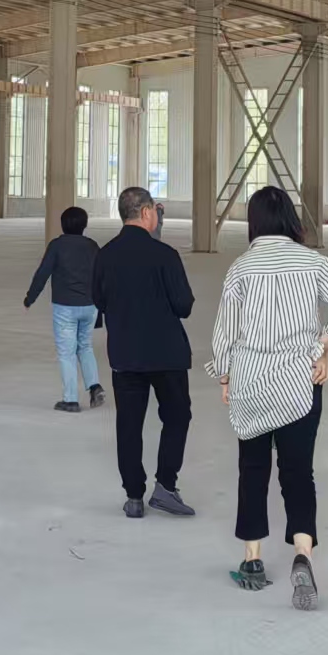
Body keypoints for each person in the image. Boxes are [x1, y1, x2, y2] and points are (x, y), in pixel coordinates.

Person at [206, 186, 328, 612]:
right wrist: (322, 346)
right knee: (298, 471)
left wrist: (225, 376)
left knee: (252, 468)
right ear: (290, 219)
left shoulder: (241, 268)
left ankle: (252, 560)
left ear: (254, 222)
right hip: (299, 381)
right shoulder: (313, 262)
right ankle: (303, 553)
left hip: (252, 381)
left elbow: (225, 331)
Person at [91, 186, 196, 519]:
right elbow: (184, 305)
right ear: (147, 212)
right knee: (177, 417)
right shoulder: (165, 255)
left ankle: (134, 496)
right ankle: (165, 486)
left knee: (129, 425)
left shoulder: (105, 255)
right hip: (167, 354)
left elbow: (99, 300)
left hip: (125, 354)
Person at [22, 206, 104, 413]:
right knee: (85, 346)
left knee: (67, 353)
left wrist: (30, 298)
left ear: (63, 225)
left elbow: (42, 273)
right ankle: (95, 386)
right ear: (84, 225)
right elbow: (102, 276)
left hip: (65, 307)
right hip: (90, 306)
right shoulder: (93, 246)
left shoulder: (57, 245)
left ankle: (70, 400)